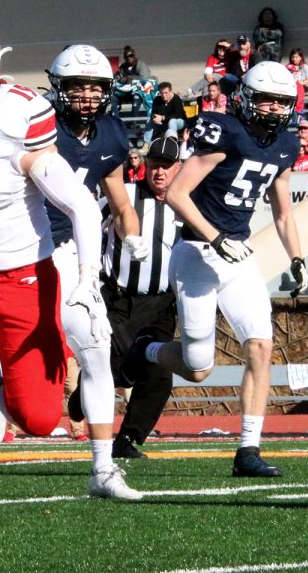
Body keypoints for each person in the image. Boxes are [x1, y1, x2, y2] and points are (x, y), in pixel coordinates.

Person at [0, 16, 136, 550]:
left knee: (38, 417)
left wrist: (85, 278)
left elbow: (79, 201)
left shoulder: (16, 113)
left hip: (25, 279)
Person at [127, 61, 308, 478]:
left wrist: (296, 256)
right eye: (266, 99)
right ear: (245, 96)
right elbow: (176, 192)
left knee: (261, 346)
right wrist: (214, 237)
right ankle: (147, 350)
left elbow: (282, 210)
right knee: (197, 367)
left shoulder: (283, 145)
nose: (275, 109)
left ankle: (248, 450)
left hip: (237, 254)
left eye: (282, 101)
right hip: (196, 253)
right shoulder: (223, 130)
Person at [45, 44, 150, 475]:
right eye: (77, 86)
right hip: (18, 247)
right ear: (59, 88)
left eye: (95, 87)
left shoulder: (110, 132)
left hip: (71, 251)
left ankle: (104, 468)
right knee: (28, 400)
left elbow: (120, 202)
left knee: (96, 346)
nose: (87, 95)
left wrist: (134, 237)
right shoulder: (39, 124)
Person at [96, 136, 183, 458]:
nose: (159, 172)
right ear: (144, 166)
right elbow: (92, 225)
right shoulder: (125, 195)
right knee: (113, 365)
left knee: (160, 374)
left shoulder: (186, 202)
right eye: (154, 165)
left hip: (162, 302)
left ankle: (128, 439)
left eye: (166, 166)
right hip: (121, 297)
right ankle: (83, 401)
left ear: (179, 168)